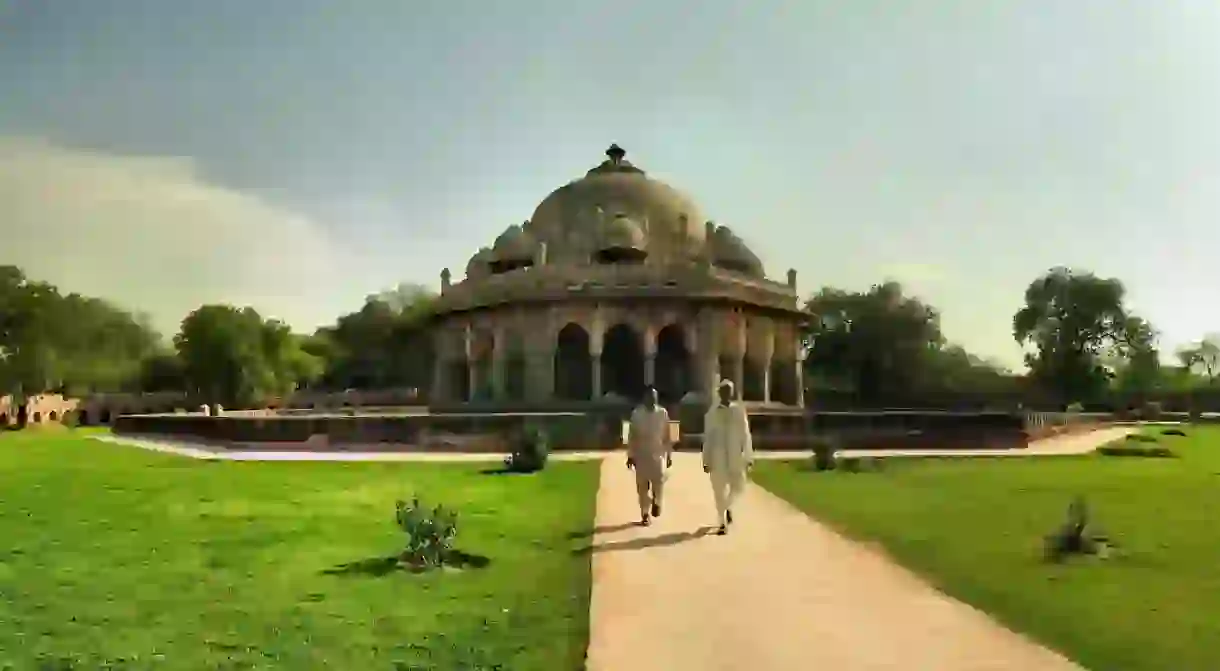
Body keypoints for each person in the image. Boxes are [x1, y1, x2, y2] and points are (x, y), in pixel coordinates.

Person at [702, 379, 753, 535]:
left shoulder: (738, 411)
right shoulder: (711, 414)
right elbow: (707, 438)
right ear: (719, 393)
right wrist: (706, 460)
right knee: (719, 490)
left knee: (739, 486)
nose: (726, 394)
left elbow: (746, 435)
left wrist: (748, 457)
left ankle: (726, 507)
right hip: (717, 458)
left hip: (735, 456)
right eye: (723, 391)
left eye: (729, 391)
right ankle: (722, 522)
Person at [626, 386, 673, 527]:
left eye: (655, 397)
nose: (652, 400)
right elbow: (631, 436)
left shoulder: (662, 413)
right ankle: (645, 514)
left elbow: (668, 435)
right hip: (641, 454)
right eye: (650, 397)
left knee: (659, 481)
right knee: (642, 487)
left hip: (658, 453)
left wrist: (669, 454)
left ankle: (657, 501)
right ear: (644, 398)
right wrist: (630, 455)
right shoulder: (636, 414)